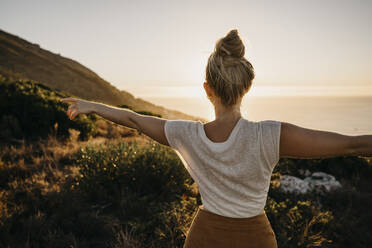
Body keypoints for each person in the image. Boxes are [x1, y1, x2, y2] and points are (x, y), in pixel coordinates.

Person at [61, 29, 372, 248]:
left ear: (207, 88)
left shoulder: (186, 135)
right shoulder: (270, 135)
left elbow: (133, 119)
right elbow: (351, 144)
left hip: (204, 237)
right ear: (246, 86)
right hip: (256, 239)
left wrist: (92, 106)